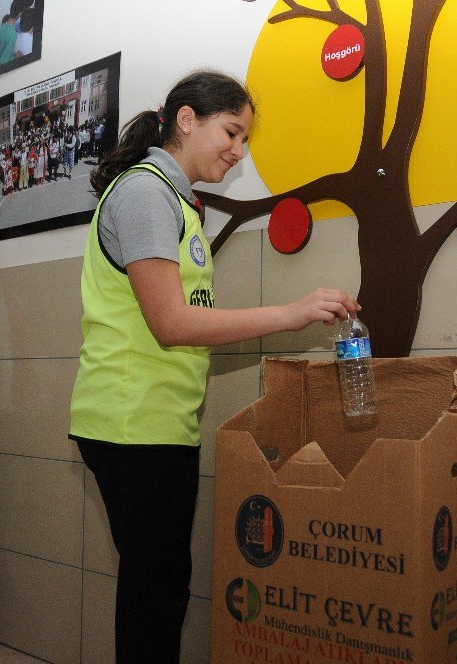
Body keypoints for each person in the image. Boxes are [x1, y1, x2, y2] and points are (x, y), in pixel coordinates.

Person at [69, 71, 360, 663]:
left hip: (155, 425)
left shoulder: (177, 200)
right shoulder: (147, 193)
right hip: (130, 424)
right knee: (157, 597)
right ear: (185, 120)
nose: (239, 150)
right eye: (231, 131)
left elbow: (184, 322)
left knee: (157, 591)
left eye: (245, 138)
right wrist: (290, 312)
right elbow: (172, 324)